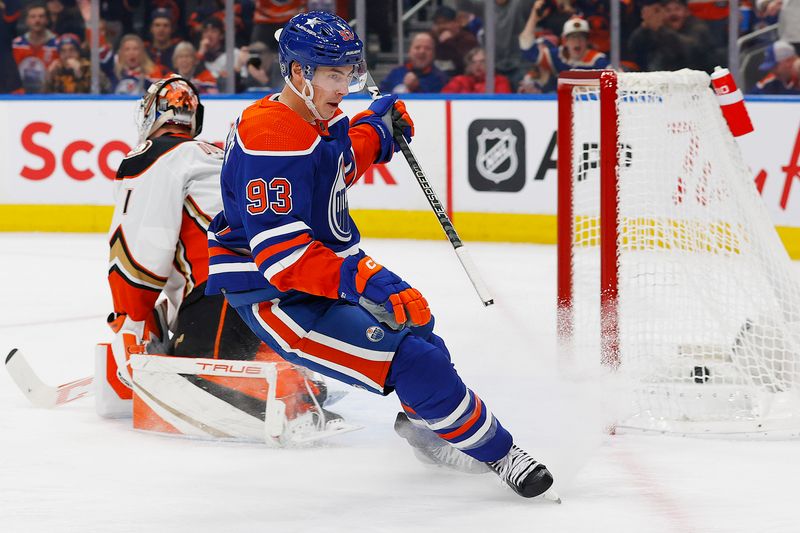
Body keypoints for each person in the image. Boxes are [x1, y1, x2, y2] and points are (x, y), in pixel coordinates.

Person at [206, 11, 555, 499]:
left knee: (419, 327)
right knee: (415, 362)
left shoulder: (313, 119)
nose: (344, 86)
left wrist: (378, 130)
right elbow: (282, 258)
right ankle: (502, 455)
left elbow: (337, 167)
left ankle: (425, 432)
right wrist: (362, 276)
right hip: (281, 300)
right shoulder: (272, 136)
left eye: (349, 74)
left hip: (321, 277)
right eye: (333, 75)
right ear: (298, 73)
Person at [107, 75, 331, 424]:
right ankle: (285, 373)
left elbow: (138, 251)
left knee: (191, 386)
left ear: (150, 115)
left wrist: (131, 322)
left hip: (225, 290)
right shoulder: (217, 153)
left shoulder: (150, 156)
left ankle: (275, 390)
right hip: (286, 283)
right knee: (247, 344)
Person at [519, 12, 610, 92]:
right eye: (573, 37)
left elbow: (615, 80)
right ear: (565, 41)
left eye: (581, 37)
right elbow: (528, 49)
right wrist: (534, 15)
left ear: (587, 41)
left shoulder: (598, 60)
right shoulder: (557, 56)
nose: (577, 41)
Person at [379, 32, 449, 94]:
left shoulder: (441, 79)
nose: (422, 51)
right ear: (410, 51)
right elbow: (379, 96)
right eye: (417, 47)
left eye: (427, 48)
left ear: (434, 53)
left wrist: (417, 88)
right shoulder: (395, 73)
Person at [12, 2, 58, 93]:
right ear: (26, 21)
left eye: (41, 16)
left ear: (47, 20)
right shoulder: (16, 45)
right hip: (19, 97)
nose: (37, 20)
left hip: (49, 96)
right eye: (33, 17)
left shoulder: (57, 44)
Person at [44, 32, 108, 93]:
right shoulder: (56, 69)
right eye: (63, 51)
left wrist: (80, 75)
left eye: (72, 50)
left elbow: (104, 91)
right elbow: (42, 97)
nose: (67, 55)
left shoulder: (90, 68)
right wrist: (48, 77)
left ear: (78, 53)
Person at [430, 5, 479, 77]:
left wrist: (449, 42)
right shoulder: (431, 38)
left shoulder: (468, 39)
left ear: (457, 23)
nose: (441, 27)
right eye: (438, 23)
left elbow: (466, 64)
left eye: (445, 22)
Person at [441, 47, 513, 93]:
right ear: (469, 65)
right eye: (474, 62)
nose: (478, 65)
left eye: (482, 61)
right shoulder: (459, 81)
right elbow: (443, 98)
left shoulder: (500, 81)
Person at [145, 8, 179, 72]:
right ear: (151, 28)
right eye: (157, 25)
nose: (161, 29)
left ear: (172, 29)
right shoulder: (144, 53)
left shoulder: (178, 52)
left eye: (165, 25)